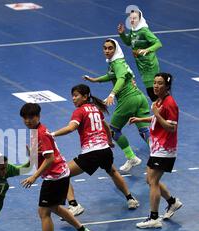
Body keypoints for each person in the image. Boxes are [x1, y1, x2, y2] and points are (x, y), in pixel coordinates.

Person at [20, 103, 95, 231]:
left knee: (43, 212)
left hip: (55, 177)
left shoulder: (41, 133)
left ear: (38, 117)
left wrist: (34, 177)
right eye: (25, 118)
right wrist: (31, 154)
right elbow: (43, 156)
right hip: (60, 174)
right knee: (55, 208)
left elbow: (50, 159)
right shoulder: (35, 132)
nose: (28, 120)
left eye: (31, 117)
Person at [51, 84, 140, 211]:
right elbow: (106, 127)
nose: (73, 99)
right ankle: (130, 198)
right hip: (105, 151)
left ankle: (74, 205)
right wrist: (109, 141)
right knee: (113, 172)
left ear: (86, 96)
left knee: (62, 174)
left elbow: (71, 128)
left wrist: (52, 134)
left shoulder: (79, 111)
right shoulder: (96, 109)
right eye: (72, 96)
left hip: (91, 154)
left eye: (76, 96)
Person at [83, 38, 150, 172]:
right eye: (105, 48)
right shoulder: (116, 62)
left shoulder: (117, 63)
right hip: (140, 98)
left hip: (128, 100)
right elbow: (111, 75)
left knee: (113, 130)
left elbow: (120, 78)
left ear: (116, 49)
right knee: (144, 131)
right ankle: (159, 153)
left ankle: (132, 158)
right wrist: (95, 80)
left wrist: (112, 94)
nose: (107, 51)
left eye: (110, 48)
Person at [129, 73, 182, 228]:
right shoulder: (160, 101)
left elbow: (171, 127)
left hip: (165, 149)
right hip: (157, 148)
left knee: (153, 181)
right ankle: (173, 202)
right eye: (155, 82)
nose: (156, 86)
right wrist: (142, 119)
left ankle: (154, 218)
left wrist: (157, 114)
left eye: (160, 83)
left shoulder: (170, 103)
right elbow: (158, 119)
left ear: (167, 86)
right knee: (150, 180)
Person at [118, 9, 162, 102]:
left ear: (140, 19)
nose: (132, 20)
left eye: (135, 18)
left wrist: (147, 50)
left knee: (153, 92)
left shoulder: (144, 31)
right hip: (141, 65)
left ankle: (162, 113)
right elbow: (128, 43)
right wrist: (122, 34)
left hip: (149, 65)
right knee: (153, 93)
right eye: (131, 18)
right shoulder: (133, 30)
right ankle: (160, 112)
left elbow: (158, 43)